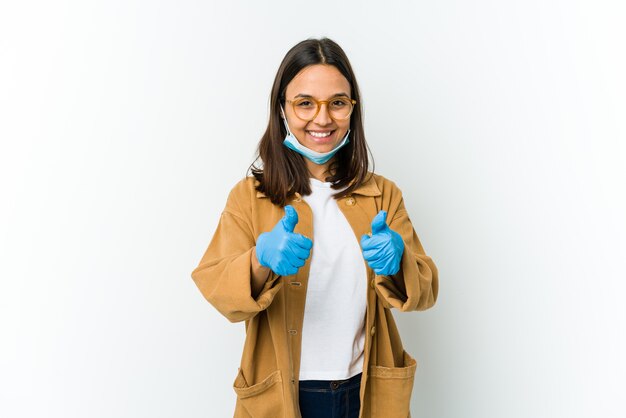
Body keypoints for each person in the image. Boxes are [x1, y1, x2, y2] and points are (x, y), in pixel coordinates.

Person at [191, 37, 439, 418]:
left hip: (365, 388)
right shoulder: (249, 197)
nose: (322, 119)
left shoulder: (382, 195)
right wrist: (260, 260)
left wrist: (400, 261)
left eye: (337, 103)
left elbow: (424, 292)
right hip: (284, 391)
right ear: (282, 110)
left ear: (352, 110)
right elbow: (218, 290)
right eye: (305, 103)